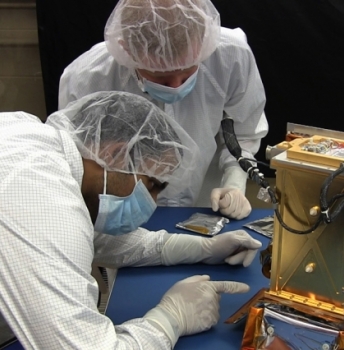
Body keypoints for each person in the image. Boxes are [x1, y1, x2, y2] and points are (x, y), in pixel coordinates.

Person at [0, 91, 262, 349]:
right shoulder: (39, 198)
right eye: (151, 184)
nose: (153, 201)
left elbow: (96, 240)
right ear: (115, 155)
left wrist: (202, 248)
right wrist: (170, 319)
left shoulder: (35, 142)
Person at [58, 0, 269, 220]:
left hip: (207, 205)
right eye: (162, 79)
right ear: (127, 49)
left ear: (203, 40)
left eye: (188, 73)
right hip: (123, 213)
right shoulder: (87, 79)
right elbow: (77, 160)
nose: (177, 86)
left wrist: (234, 183)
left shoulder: (230, 57)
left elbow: (244, 132)